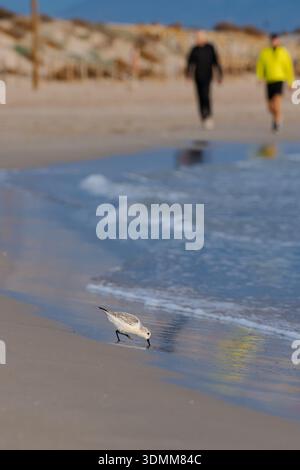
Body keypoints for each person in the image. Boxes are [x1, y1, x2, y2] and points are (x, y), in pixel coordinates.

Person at [256, 33, 295, 133]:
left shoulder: (283, 52)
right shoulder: (265, 52)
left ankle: (277, 122)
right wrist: (260, 76)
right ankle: (277, 117)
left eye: (276, 40)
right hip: (269, 80)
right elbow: (260, 65)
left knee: (277, 103)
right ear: (271, 41)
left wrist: (290, 82)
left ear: (278, 41)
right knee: (269, 107)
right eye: (272, 40)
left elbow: (289, 68)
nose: (274, 42)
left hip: (279, 79)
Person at [186, 30, 223, 130]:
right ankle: (203, 116)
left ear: (204, 38)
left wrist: (219, 75)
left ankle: (209, 115)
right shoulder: (194, 49)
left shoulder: (210, 48)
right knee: (200, 97)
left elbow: (216, 62)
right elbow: (190, 63)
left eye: (200, 38)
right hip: (197, 77)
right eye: (197, 38)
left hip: (208, 77)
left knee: (206, 96)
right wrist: (188, 75)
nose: (198, 40)